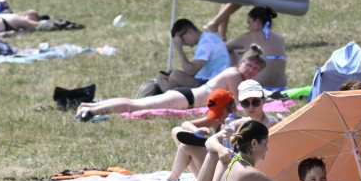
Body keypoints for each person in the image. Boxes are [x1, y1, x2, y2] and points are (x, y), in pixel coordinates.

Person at [171, 80, 288, 181]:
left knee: (225, 160)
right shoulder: (240, 123)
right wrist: (222, 148)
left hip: (259, 173)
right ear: (240, 103)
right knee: (216, 153)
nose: (251, 106)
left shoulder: (274, 125)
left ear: (264, 100)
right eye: (246, 103)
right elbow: (211, 141)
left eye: (255, 102)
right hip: (240, 175)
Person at [75, 45, 266, 118]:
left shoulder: (236, 74)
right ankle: (91, 110)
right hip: (185, 98)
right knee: (134, 105)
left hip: (186, 97)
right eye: (249, 65)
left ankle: (88, 105)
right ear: (241, 62)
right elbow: (241, 103)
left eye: (255, 69)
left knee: (135, 104)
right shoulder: (234, 75)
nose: (251, 70)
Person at [162, 88, 234, 181]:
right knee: (176, 130)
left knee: (186, 146)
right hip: (208, 168)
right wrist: (197, 130)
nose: (217, 118)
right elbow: (185, 124)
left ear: (231, 108)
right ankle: (196, 139)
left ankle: (172, 179)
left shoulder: (237, 124)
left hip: (219, 173)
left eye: (219, 113)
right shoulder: (215, 121)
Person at [157, 18, 230, 93]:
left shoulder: (206, 43)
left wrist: (180, 50)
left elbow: (190, 71)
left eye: (181, 39)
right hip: (209, 81)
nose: (182, 44)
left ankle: (169, 102)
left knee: (175, 76)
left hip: (213, 85)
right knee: (163, 77)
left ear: (190, 32)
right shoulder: (206, 39)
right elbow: (193, 71)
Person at [225, 6, 287, 92]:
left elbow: (224, 47)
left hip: (258, 89)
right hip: (281, 88)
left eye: (249, 22)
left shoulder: (248, 36)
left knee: (229, 53)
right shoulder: (280, 38)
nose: (248, 27)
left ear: (258, 22)